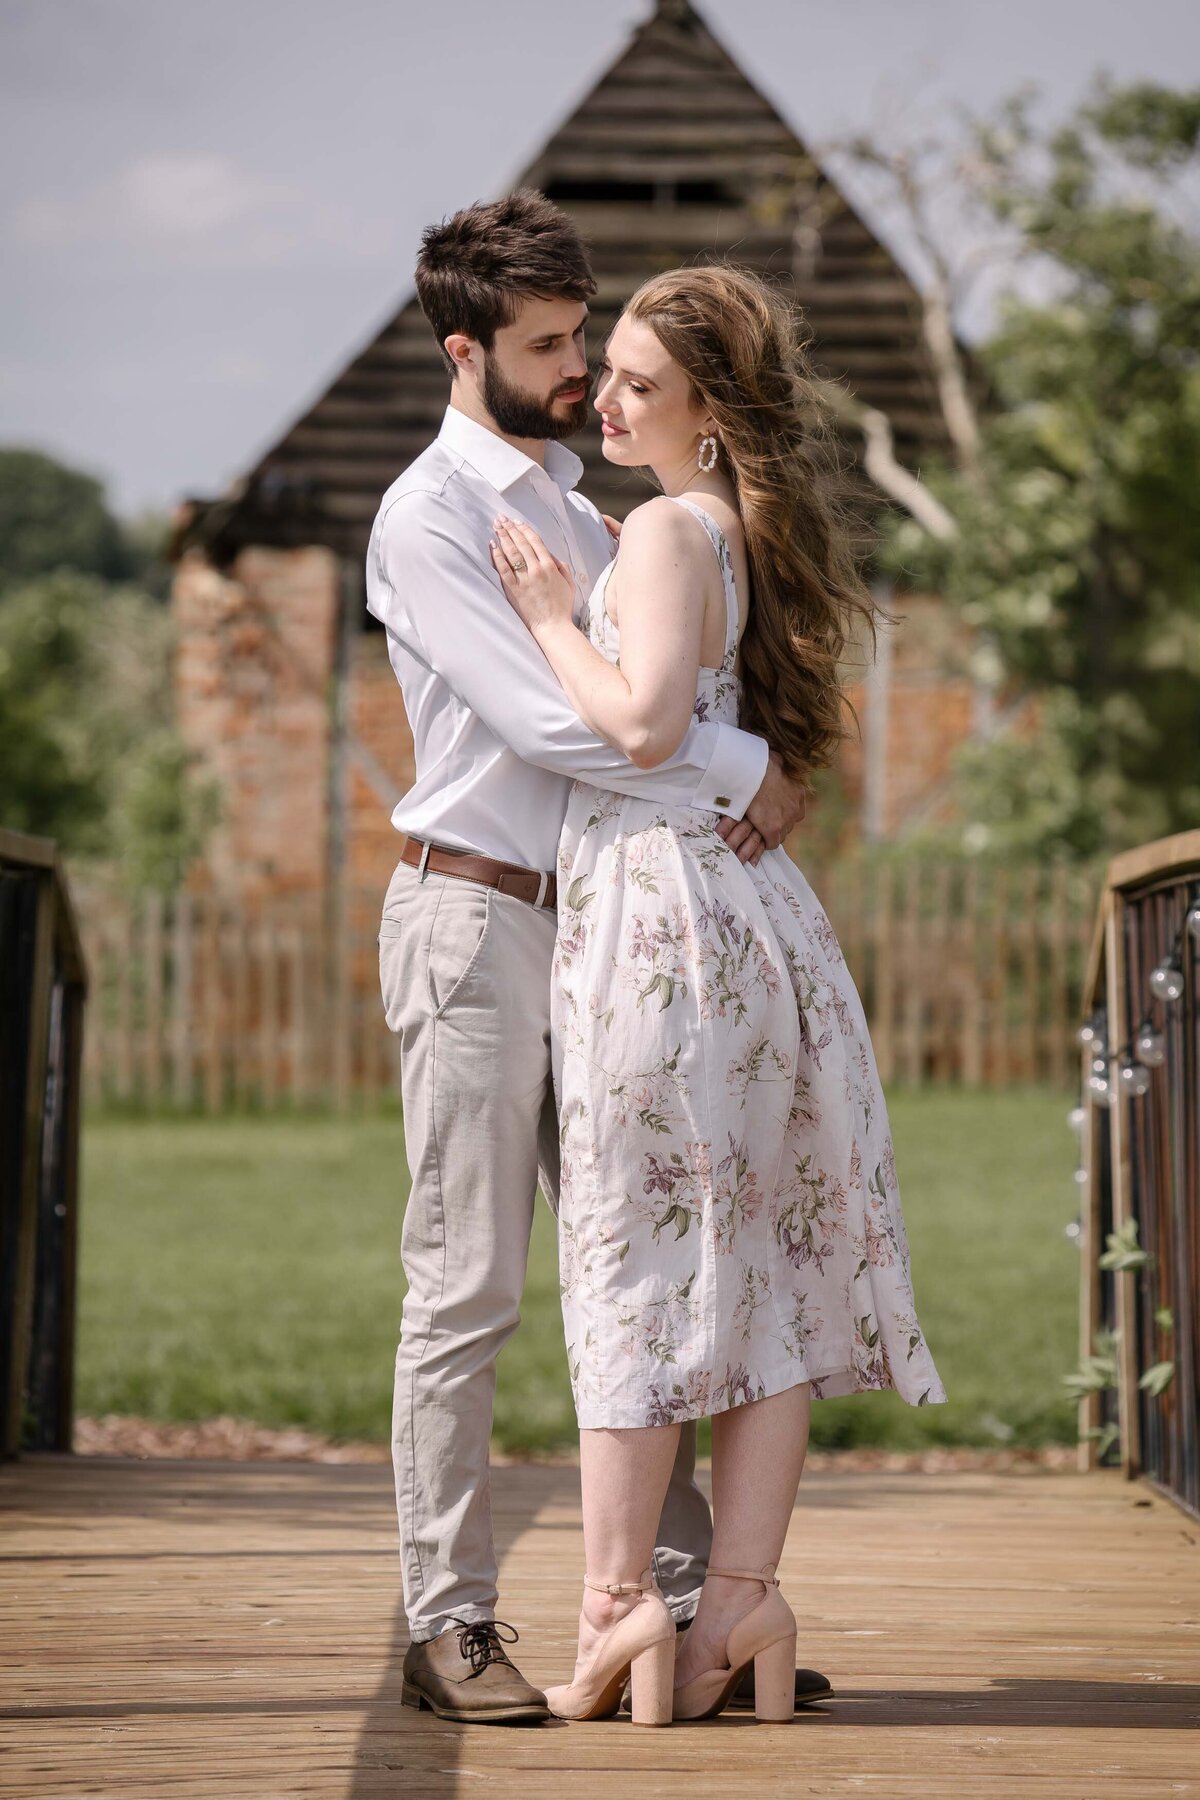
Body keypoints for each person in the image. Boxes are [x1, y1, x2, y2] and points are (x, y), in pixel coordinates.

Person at [368, 192, 820, 1725]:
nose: (579, 370)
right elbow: (571, 726)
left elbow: (665, 677)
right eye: (551, 346)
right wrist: (737, 770)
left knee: (651, 1259)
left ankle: (687, 1620)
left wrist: (752, 751)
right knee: (473, 1279)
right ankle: (449, 1620)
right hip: (477, 914)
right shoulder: (431, 516)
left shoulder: (584, 500)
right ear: (464, 349)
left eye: (587, 340)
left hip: (607, 928)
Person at [490, 263, 946, 1726]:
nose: (603, 396)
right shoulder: (734, 529)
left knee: (633, 1251)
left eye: (634, 379)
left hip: (664, 923)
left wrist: (558, 612)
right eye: (605, 371)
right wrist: (763, 773)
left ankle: (618, 1611)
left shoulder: (670, 532)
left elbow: (638, 724)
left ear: (704, 408)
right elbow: (713, 735)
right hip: (750, 924)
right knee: (754, 1268)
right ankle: (737, 1600)